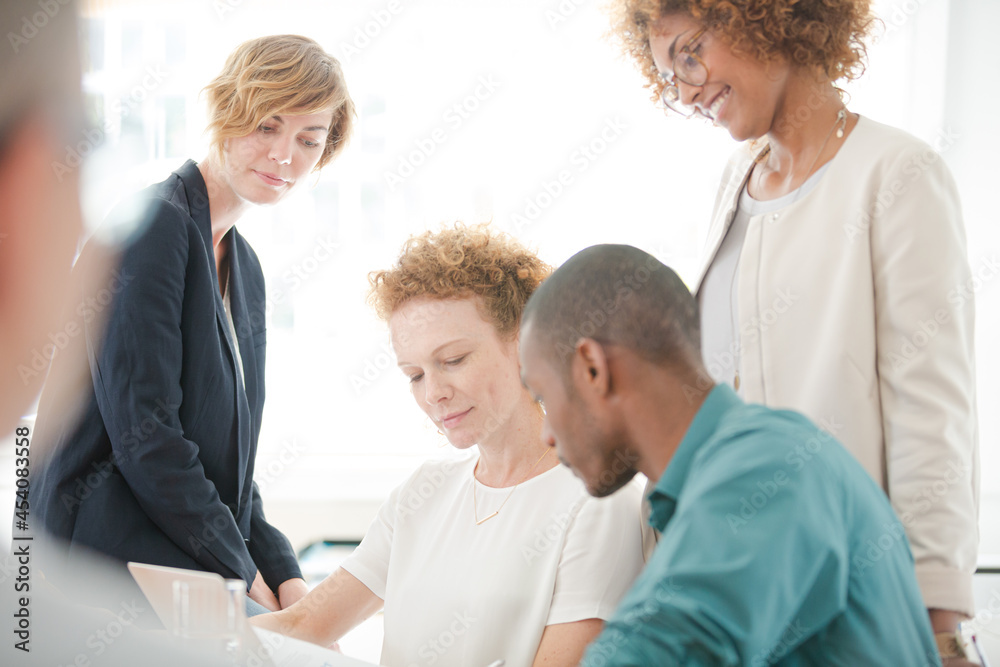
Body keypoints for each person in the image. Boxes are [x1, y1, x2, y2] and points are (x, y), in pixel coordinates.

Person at [606, 1, 979, 661]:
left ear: (763, 17)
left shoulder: (895, 172)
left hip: (841, 598)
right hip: (733, 593)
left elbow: (933, 416)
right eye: (670, 77)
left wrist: (939, 622)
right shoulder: (736, 181)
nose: (687, 91)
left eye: (690, 53)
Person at [516, 243, 967, 666]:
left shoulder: (769, 467)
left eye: (543, 397)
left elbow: (660, 648)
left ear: (592, 368)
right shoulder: (720, 481)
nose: (547, 435)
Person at [30, 34, 356, 615]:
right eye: (266, 127)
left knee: (313, 636)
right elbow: (148, 436)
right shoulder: (153, 225)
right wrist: (247, 578)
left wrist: (288, 579)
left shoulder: (245, 267)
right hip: (97, 554)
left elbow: (232, 473)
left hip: (175, 550)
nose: (286, 155)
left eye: (309, 140)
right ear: (227, 111)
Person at [251, 225, 646, 666]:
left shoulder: (601, 501)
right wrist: (176, 639)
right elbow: (301, 626)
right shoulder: (424, 492)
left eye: (453, 360)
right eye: (414, 375)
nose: (433, 393)